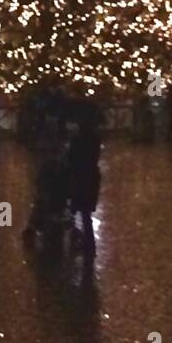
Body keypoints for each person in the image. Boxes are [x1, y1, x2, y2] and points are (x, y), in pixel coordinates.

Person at [67, 108, 102, 257]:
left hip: (79, 176)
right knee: (86, 213)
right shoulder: (95, 140)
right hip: (92, 176)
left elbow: (71, 158)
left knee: (75, 209)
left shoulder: (76, 141)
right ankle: (90, 243)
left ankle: (79, 238)